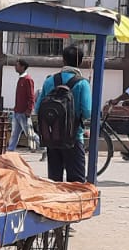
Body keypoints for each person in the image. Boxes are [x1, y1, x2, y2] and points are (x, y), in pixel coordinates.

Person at [35, 45, 93, 182]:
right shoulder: (82, 84)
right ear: (81, 61)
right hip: (74, 137)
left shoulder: (50, 81)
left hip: (52, 136)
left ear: (63, 60)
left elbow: (38, 109)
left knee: (54, 180)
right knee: (77, 181)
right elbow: (87, 112)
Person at [9, 59, 41, 152]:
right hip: (17, 111)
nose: (15, 67)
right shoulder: (21, 79)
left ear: (22, 67)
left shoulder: (28, 80)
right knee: (15, 132)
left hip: (23, 112)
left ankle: (43, 146)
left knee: (29, 133)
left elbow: (31, 96)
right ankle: (10, 149)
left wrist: (29, 110)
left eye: (17, 65)